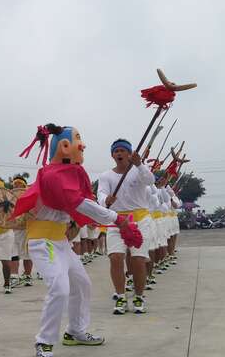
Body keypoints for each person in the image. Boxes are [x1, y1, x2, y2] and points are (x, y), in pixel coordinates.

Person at [12, 124, 141, 357]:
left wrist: (98, 214)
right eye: (78, 139)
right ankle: (44, 343)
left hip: (60, 242)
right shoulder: (51, 175)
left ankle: (75, 332)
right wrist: (117, 218)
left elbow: (80, 203)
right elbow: (78, 202)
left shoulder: (67, 173)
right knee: (60, 289)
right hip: (43, 242)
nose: (83, 145)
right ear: (64, 146)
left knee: (82, 284)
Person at [98, 138, 155, 315]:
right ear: (112, 155)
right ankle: (120, 296)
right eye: (116, 151)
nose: (120, 153)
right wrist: (105, 200)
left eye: (123, 151)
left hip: (140, 219)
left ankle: (139, 296)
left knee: (138, 259)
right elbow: (100, 193)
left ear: (130, 154)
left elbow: (150, 180)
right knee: (115, 257)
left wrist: (140, 165)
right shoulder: (106, 175)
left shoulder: (138, 171)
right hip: (116, 221)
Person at [10, 176, 33, 287]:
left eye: (19, 185)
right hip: (13, 229)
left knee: (27, 254)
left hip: (26, 229)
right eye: (15, 185)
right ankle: (14, 276)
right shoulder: (9, 197)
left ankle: (28, 276)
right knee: (13, 253)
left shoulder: (29, 196)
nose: (16, 186)